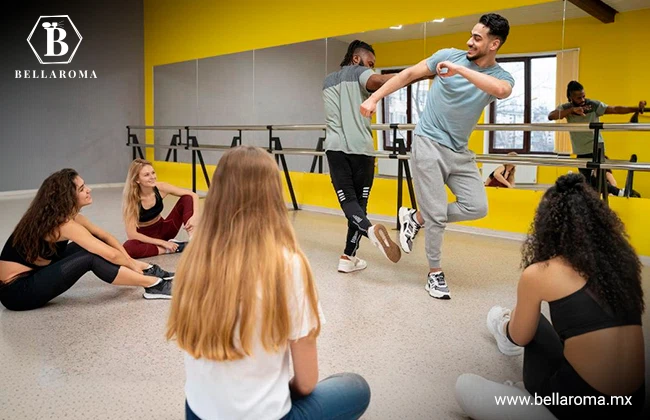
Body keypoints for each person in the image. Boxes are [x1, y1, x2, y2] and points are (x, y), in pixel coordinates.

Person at [166, 146, 371, 420]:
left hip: (197, 413)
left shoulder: (194, 257)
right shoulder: (288, 264)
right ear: (272, 196)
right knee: (355, 387)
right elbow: (307, 381)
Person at [456, 173, 645, 419]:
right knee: (542, 323)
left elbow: (521, 337)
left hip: (575, 406)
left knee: (465, 386)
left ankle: (528, 395)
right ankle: (503, 324)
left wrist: (510, 327)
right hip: (632, 405)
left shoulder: (540, 273)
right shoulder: (623, 264)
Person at [360, 13, 515, 299]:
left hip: (460, 151)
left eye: (478, 38)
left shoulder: (500, 76)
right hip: (428, 143)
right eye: (471, 34)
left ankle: (416, 217)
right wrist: (373, 98)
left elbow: (500, 91)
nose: (469, 41)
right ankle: (434, 273)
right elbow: (407, 75)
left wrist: (460, 70)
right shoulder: (446, 55)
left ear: (494, 44)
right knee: (438, 216)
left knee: (477, 206)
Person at [0, 169, 174, 311]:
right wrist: (133, 266)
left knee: (94, 242)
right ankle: (153, 284)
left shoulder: (69, 216)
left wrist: (136, 264)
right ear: (67, 197)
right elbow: (111, 256)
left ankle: (149, 270)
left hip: (34, 273)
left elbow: (105, 236)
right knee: (90, 256)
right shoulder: (62, 224)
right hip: (17, 292)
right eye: (82, 189)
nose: (89, 189)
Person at [323, 40, 402, 272]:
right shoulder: (359, 72)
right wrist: (409, 75)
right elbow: (376, 81)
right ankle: (369, 232)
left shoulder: (327, 81)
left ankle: (347, 259)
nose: (372, 69)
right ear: (356, 59)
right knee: (360, 203)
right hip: (361, 150)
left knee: (348, 202)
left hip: (334, 148)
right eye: (370, 64)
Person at [547, 81, 645, 182]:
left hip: (596, 146)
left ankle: (619, 192)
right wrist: (572, 110)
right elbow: (551, 116)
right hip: (581, 150)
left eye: (583, 96)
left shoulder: (593, 105)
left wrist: (636, 108)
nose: (583, 100)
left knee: (602, 177)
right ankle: (618, 192)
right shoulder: (566, 108)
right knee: (588, 183)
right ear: (571, 98)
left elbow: (615, 109)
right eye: (579, 98)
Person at [122, 158, 200, 259]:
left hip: (164, 230)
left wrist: (195, 216)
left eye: (153, 173)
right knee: (128, 248)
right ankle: (168, 249)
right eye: (146, 175)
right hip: (145, 237)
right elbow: (132, 234)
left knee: (187, 199)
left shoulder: (161, 188)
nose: (152, 177)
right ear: (137, 180)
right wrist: (163, 244)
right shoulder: (132, 200)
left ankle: (194, 241)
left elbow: (193, 195)